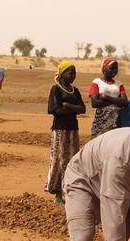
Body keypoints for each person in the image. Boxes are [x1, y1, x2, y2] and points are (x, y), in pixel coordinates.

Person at [46, 61, 86, 204]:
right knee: (59, 159)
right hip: (60, 129)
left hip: (73, 129)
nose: (73, 75)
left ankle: (69, 191)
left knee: (72, 160)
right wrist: (73, 109)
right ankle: (57, 193)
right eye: (71, 72)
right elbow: (55, 109)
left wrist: (68, 105)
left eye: (74, 73)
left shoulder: (75, 91)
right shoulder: (55, 89)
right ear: (62, 74)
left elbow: (83, 109)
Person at [88, 57, 128, 137]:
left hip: (115, 121)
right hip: (101, 122)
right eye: (111, 68)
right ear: (104, 68)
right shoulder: (96, 82)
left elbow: (125, 102)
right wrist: (116, 101)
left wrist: (107, 97)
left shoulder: (119, 84)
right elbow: (95, 103)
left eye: (116, 68)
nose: (114, 70)